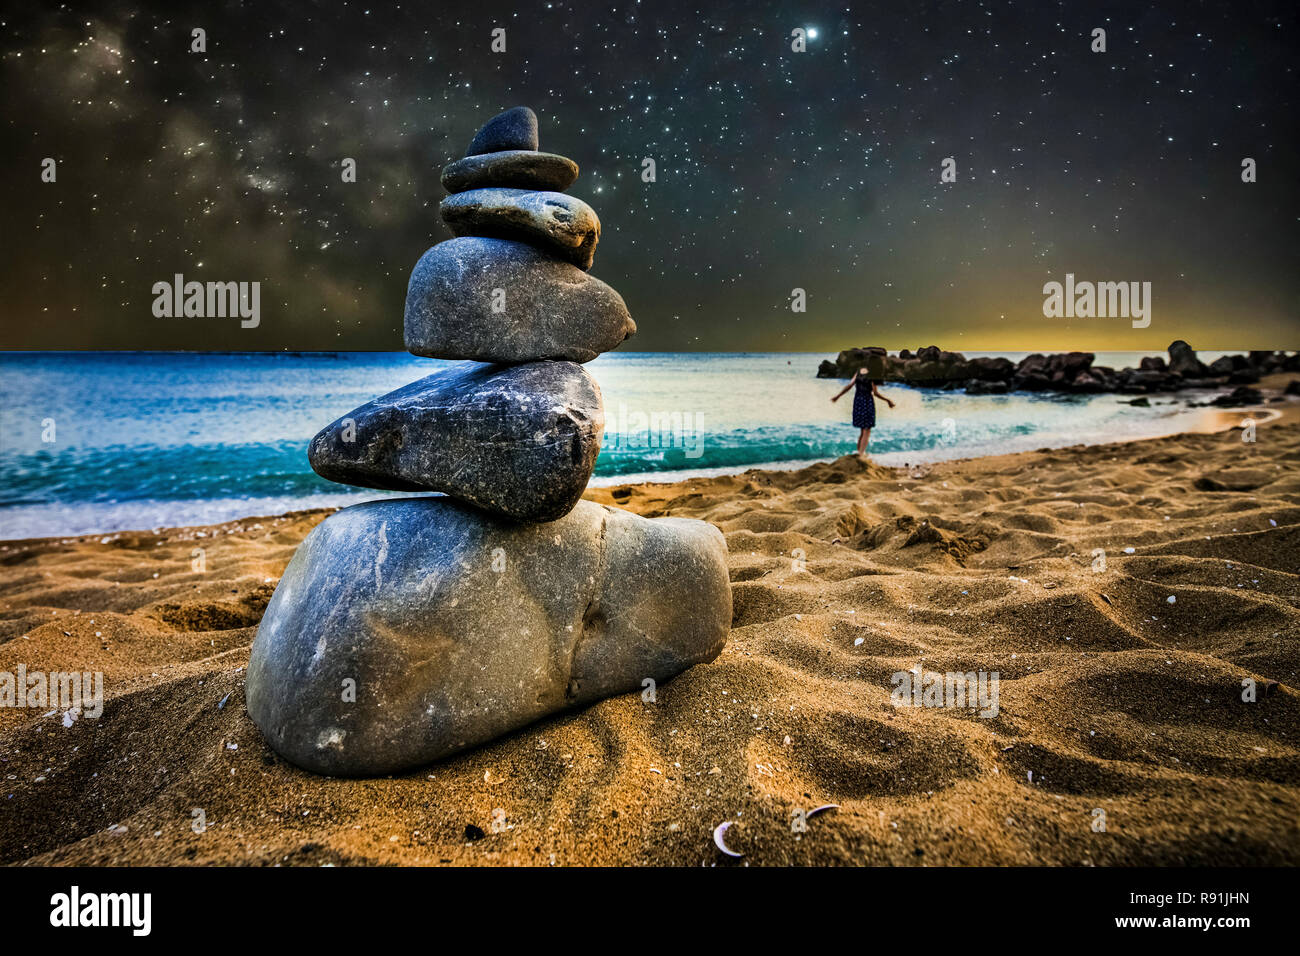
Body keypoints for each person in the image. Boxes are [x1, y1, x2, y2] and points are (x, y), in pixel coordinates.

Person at [831, 357, 895, 456]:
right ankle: (861, 454)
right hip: (867, 402)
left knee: (862, 430)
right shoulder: (872, 375)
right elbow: (875, 393)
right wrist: (888, 400)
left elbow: (849, 385)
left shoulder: (859, 372)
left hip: (857, 402)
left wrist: (837, 396)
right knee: (867, 430)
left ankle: (859, 452)